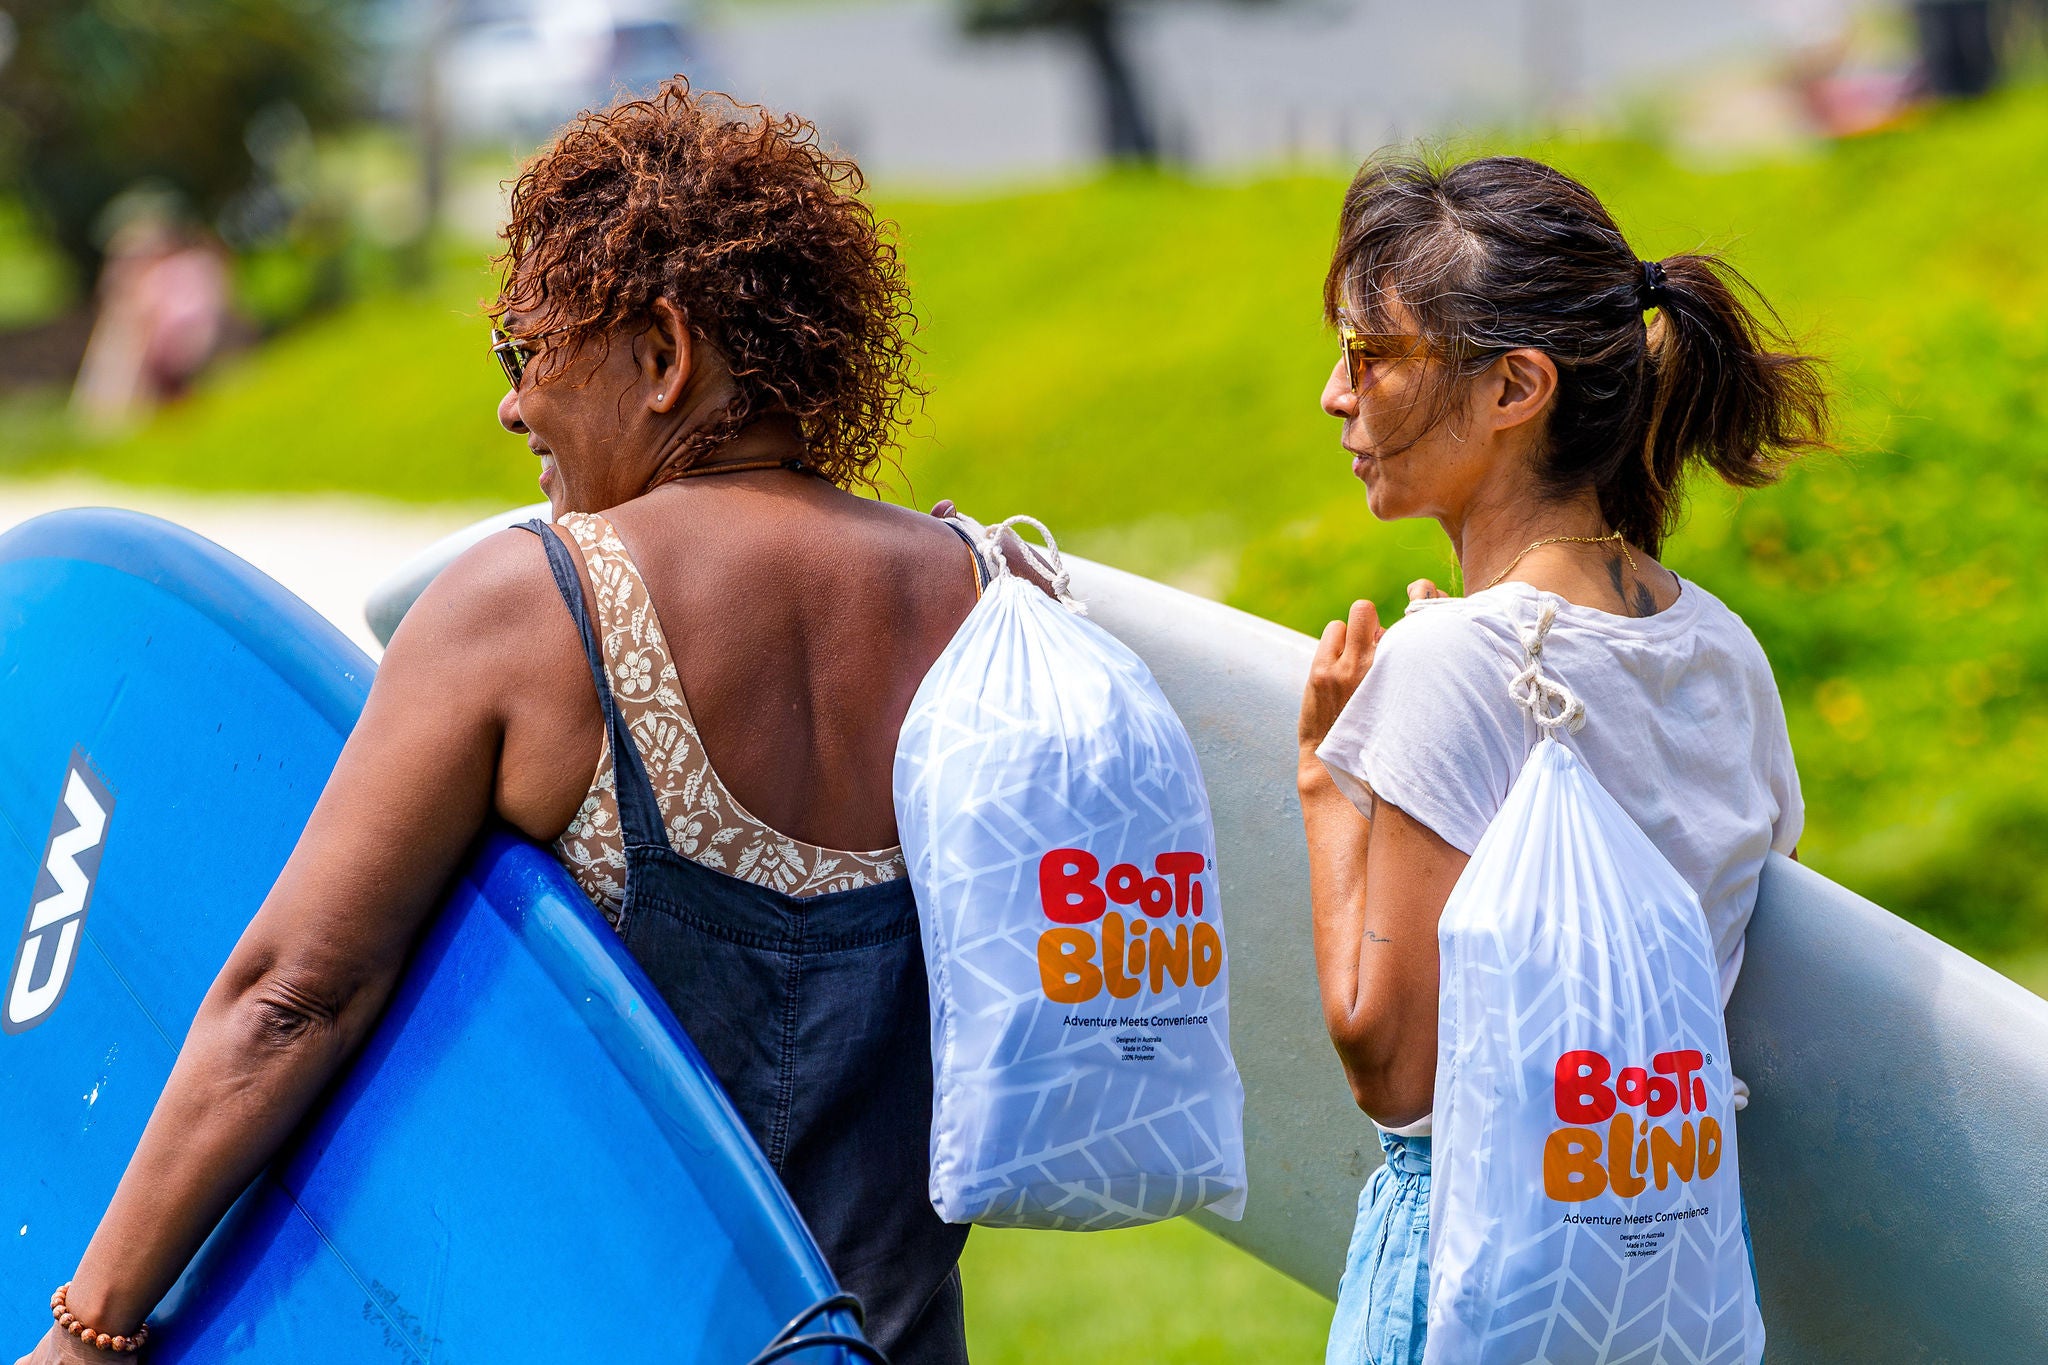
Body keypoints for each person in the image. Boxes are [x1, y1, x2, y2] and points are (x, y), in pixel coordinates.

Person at [20, 82, 989, 1365]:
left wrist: (90, 1328)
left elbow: (293, 997)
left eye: (524, 355)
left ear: (660, 355)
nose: (511, 407)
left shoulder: (532, 610)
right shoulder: (995, 598)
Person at [1294, 154, 1825, 1365]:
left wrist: (1329, 774)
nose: (1336, 394)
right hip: (1669, 1249)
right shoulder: (1718, 646)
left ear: (1513, 388)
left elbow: (1392, 1065)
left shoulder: (1447, 665)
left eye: (1371, 357)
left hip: (1482, 1264)